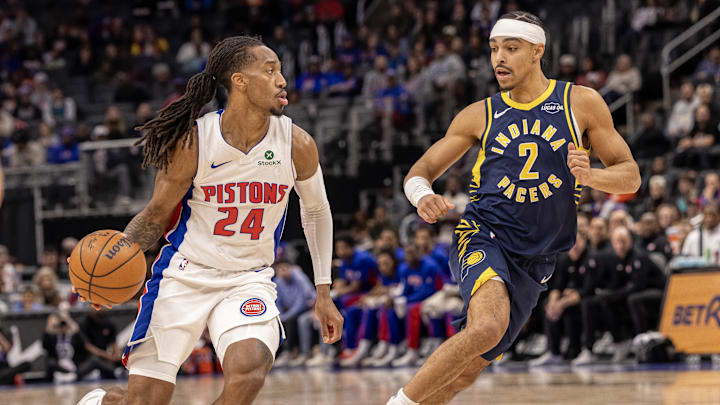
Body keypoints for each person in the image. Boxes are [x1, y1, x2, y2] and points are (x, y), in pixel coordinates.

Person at [388, 11, 640, 405]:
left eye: (511, 48)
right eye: (493, 49)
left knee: (466, 371)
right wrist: (423, 195)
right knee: (487, 326)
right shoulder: (480, 114)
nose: (498, 58)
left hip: (537, 259)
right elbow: (421, 170)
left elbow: (630, 175)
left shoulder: (580, 103)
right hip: (484, 234)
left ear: (538, 50)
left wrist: (592, 177)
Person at [76, 36, 343, 405]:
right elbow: (155, 216)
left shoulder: (297, 144)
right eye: (270, 71)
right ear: (240, 81)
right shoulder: (194, 142)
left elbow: (316, 211)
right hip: (184, 274)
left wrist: (324, 291)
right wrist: (112, 263)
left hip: (248, 278)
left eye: (281, 70)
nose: (282, 80)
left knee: (248, 372)